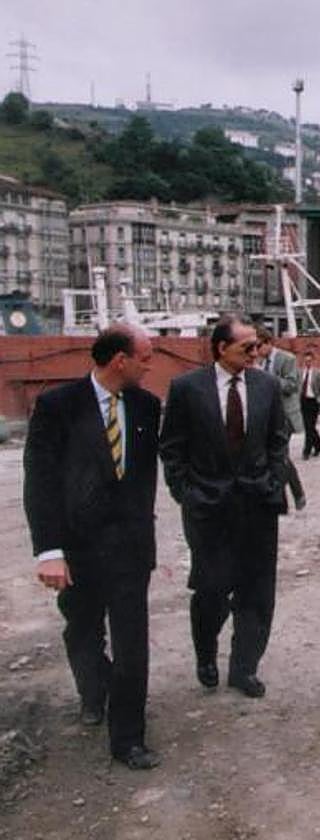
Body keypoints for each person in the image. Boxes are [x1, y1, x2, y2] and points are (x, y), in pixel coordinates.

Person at [23, 325, 161, 769]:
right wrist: (49, 550)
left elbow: (142, 482)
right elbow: (40, 482)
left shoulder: (146, 406)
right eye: (144, 356)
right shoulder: (57, 407)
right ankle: (94, 690)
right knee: (82, 628)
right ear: (119, 359)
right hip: (78, 548)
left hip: (129, 549)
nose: (150, 364)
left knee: (132, 643)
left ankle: (129, 739)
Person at [160, 314, 288, 699]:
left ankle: (244, 667)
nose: (256, 352)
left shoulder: (267, 386)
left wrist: (272, 483)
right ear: (221, 348)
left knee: (257, 591)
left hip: (257, 507)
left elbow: (278, 441)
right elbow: (171, 448)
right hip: (208, 509)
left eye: (257, 346)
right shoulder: (186, 388)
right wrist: (187, 492)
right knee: (211, 589)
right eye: (246, 347)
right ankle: (206, 655)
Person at [256, 326, 305, 510]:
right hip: (266, 416)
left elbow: (292, 385)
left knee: (280, 455)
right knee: (275, 456)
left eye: (259, 345)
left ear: (268, 343)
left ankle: (290, 495)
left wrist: (266, 378)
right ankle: (291, 494)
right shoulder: (258, 362)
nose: (256, 350)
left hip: (285, 416)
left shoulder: (287, 359)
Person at [298, 349, 320, 459]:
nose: (307, 362)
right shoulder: (300, 372)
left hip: (313, 402)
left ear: (313, 361)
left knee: (310, 426)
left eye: (310, 360)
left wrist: (319, 399)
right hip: (303, 401)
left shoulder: (319, 373)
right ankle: (318, 445)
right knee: (309, 427)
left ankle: (306, 451)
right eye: (306, 361)